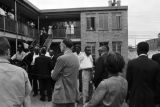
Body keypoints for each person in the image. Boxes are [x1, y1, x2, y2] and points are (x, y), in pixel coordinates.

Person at [0, 37, 32, 106]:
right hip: (17, 68)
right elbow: (12, 58)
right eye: (18, 48)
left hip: (22, 66)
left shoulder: (24, 53)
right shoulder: (17, 54)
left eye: (20, 47)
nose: (19, 49)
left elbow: (23, 60)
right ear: (8, 51)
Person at [126, 42, 160, 107]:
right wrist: (157, 100)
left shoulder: (131, 63)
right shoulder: (155, 64)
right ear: (148, 50)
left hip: (135, 98)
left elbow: (128, 82)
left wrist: (127, 98)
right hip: (150, 99)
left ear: (137, 50)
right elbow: (157, 84)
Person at [51, 38, 79, 107]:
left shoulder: (61, 58)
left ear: (64, 46)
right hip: (72, 94)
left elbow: (54, 77)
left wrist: (52, 72)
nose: (60, 47)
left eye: (60, 45)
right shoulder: (76, 58)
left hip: (61, 95)